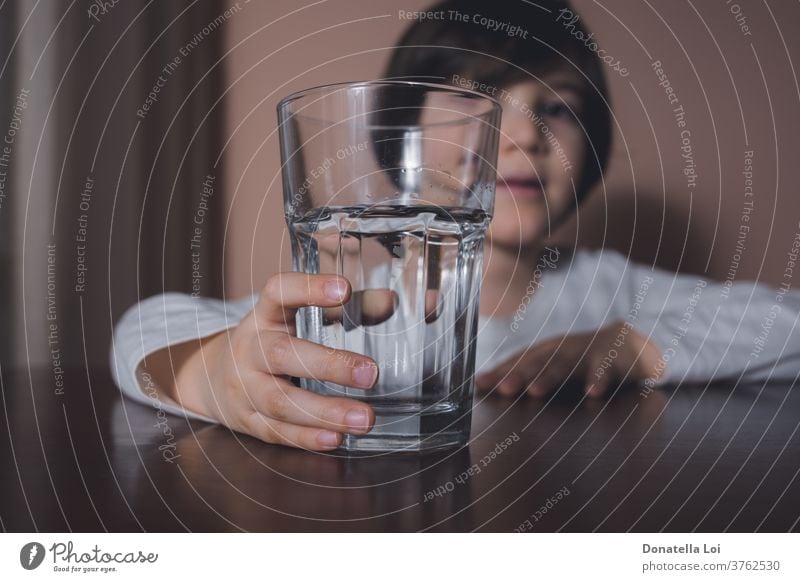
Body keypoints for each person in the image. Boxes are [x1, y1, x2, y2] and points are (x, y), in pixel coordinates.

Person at [111, 0, 800, 451]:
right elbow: (143, 328)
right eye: (478, 97)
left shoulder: (612, 292)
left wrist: (638, 348)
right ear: (402, 133)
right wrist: (213, 372)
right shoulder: (352, 302)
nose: (525, 133)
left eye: (558, 108)